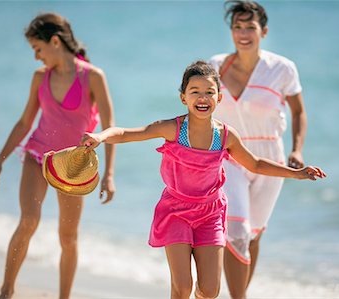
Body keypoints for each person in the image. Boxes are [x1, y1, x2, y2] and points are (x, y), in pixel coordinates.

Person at [81, 61, 325, 299]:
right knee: (182, 287)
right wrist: (100, 136)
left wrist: (296, 172)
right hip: (175, 211)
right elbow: (126, 133)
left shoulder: (226, 136)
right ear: (183, 98)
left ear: (219, 98)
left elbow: (255, 164)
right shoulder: (173, 129)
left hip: (210, 213)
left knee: (209, 291)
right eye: (194, 91)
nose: (202, 98)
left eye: (209, 92)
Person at [0, 13, 116, 299]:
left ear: (55, 41)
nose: (36, 57)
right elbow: (24, 123)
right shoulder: (39, 78)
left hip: (74, 165)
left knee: (68, 238)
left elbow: (109, 128)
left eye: (38, 49)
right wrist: (0, 160)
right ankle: (6, 292)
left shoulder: (93, 77)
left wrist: (108, 175)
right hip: (38, 157)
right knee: (29, 220)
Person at [208, 1, 310, 297]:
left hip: (269, 160)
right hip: (229, 156)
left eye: (249, 27)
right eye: (237, 27)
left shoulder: (282, 69)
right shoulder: (215, 66)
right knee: (236, 231)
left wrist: (297, 150)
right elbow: (198, 105)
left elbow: (299, 112)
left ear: (263, 31)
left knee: (252, 236)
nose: (243, 33)